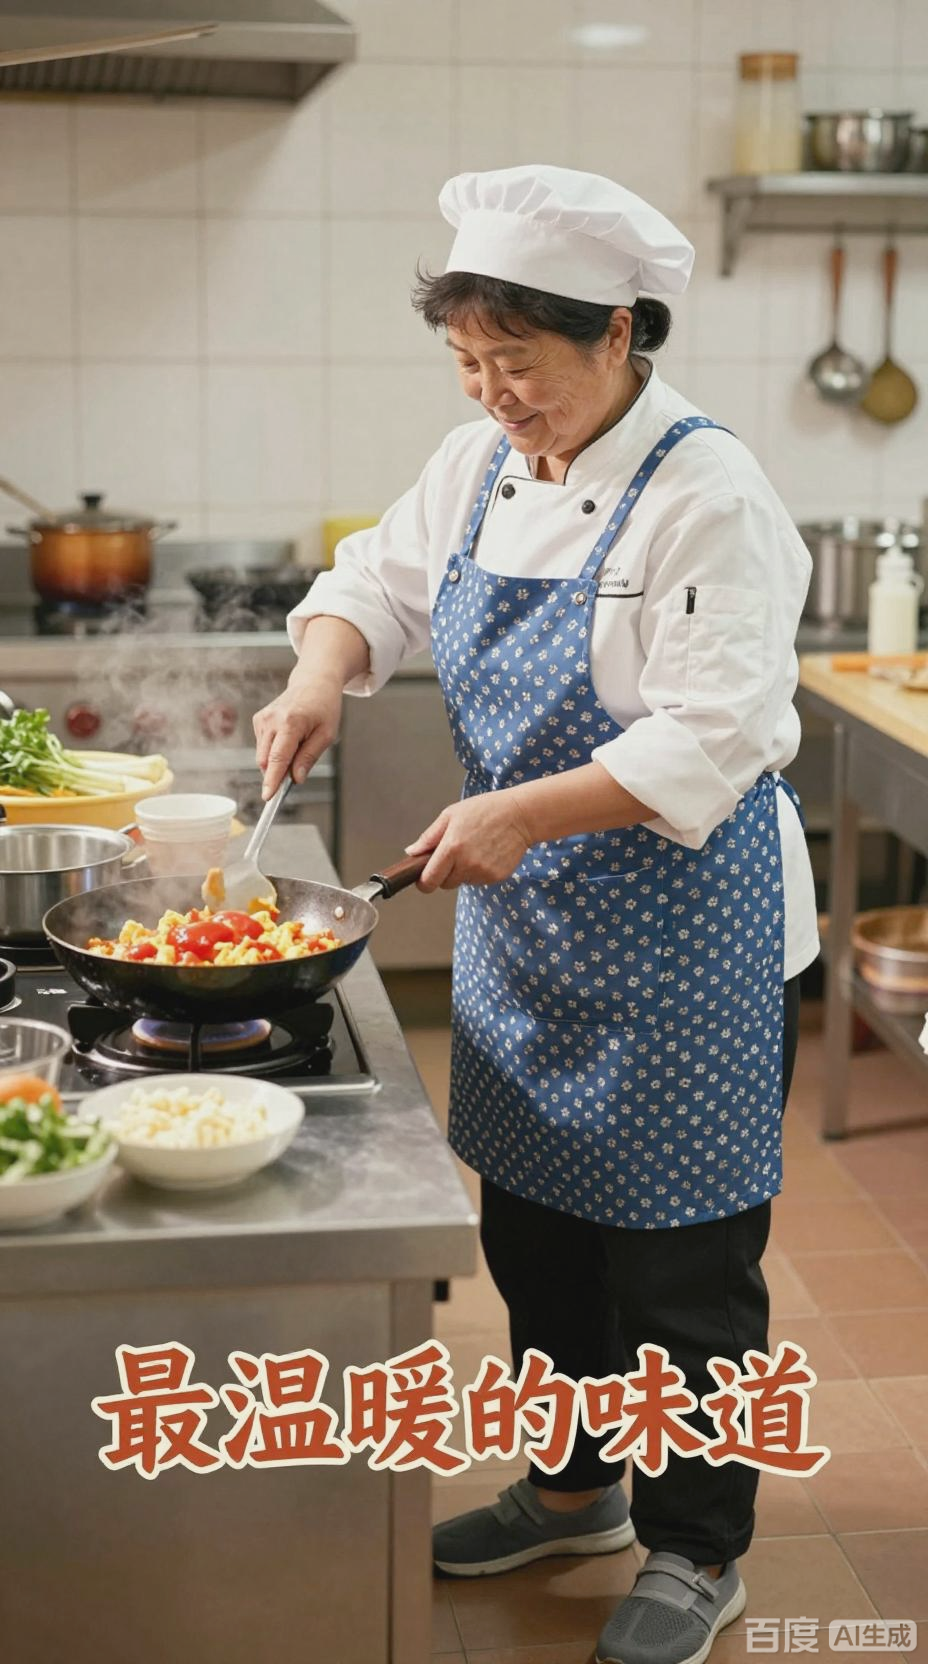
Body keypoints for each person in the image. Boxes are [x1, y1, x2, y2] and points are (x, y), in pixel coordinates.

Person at [255, 164, 820, 1664]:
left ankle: (698, 1547)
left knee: (682, 1269)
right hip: (535, 932)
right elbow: (375, 584)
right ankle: (576, 1492)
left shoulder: (708, 492)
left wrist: (517, 812)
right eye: (468, 362)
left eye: (519, 361)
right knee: (541, 1239)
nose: (495, 395)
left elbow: (716, 733)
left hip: (690, 935)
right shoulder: (479, 462)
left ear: (619, 332)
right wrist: (319, 673)